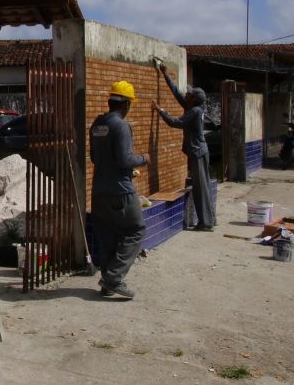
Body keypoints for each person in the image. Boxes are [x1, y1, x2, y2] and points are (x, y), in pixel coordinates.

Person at [89, 81, 150, 299]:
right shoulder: (121, 126)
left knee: (108, 238)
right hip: (120, 191)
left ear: (110, 101)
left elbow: (94, 158)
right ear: (125, 104)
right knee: (136, 230)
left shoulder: (97, 125)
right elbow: (124, 159)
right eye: (129, 104)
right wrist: (143, 159)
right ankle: (114, 278)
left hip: (99, 191)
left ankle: (107, 283)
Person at [152, 63, 215, 231]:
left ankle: (206, 223)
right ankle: (209, 219)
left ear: (194, 99)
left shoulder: (194, 112)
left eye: (189, 94)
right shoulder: (191, 107)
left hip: (198, 153)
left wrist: (160, 111)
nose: (186, 94)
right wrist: (165, 75)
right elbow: (176, 93)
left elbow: (175, 123)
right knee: (203, 186)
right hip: (198, 152)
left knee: (200, 188)